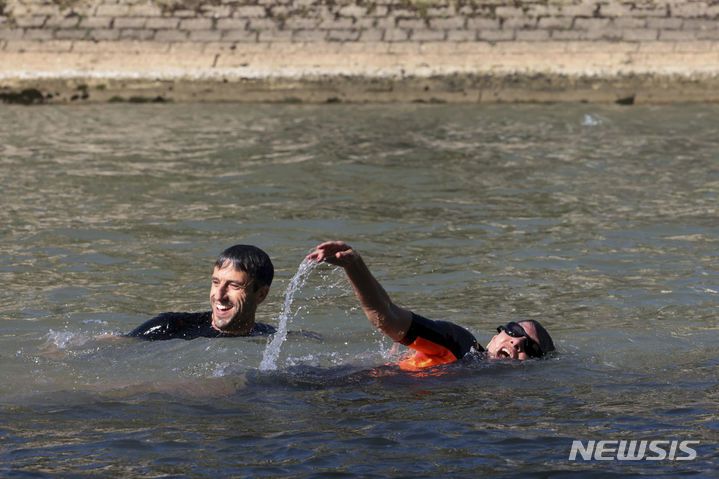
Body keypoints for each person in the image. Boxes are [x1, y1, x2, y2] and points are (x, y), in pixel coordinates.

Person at [307, 241, 555, 370]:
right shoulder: (459, 345)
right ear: (494, 337)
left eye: (530, 349)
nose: (517, 342)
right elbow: (387, 316)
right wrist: (354, 266)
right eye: (514, 331)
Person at [127, 244, 276, 340]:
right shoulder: (170, 327)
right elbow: (117, 345)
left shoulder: (269, 337)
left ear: (261, 295)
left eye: (234, 285)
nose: (219, 295)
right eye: (216, 282)